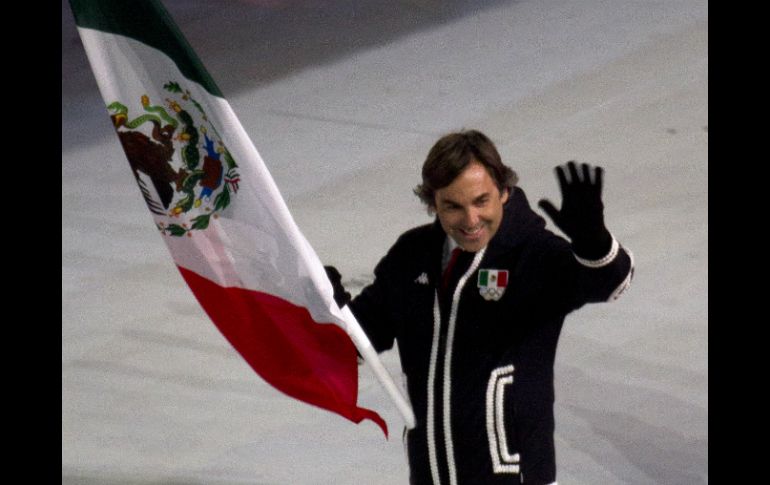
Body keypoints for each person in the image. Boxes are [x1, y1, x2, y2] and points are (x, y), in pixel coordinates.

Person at [326, 130, 634, 485]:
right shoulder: (412, 255)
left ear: (503, 191)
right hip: (433, 473)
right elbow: (360, 340)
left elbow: (611, 284)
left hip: (514, 475)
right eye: (453, 206)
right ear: (433, 203)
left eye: (481, 201)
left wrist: (594, 244)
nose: (470, 220)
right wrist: (329, 306)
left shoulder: (531, 254)